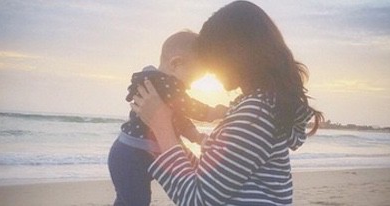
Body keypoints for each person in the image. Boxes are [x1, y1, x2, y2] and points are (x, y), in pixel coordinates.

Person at [131, 1, 324, 205]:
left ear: (234, 53)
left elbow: (198, 199)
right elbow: (209, 181)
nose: (210, 68)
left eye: (210, 56)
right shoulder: (262, 107)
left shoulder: (256, 113)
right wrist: (164, 132)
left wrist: (161, 125)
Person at [108, 31, 228, 206]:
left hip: (144, 153)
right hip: (131, 155)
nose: (189, 86)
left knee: (130, 201)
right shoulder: (160, 84)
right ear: (175, 63)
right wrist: (216, 112)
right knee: (135, 201)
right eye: (192, 80)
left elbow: (178, 119)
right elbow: (190, 107)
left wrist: (196, 136)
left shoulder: (165, 90)